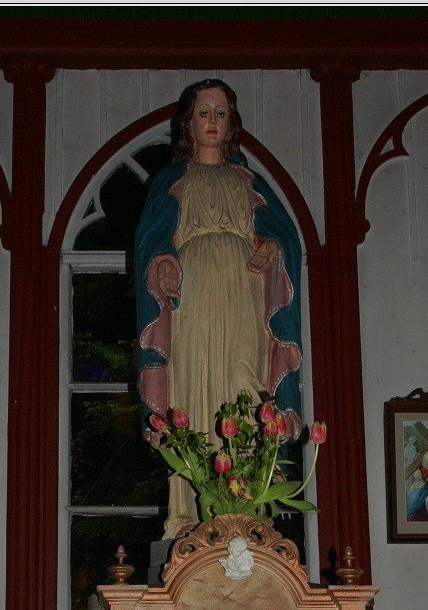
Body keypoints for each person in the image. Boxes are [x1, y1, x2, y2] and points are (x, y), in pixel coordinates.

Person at [136, 79, 302, 536]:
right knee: (193, 387)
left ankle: (247, 511)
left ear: (232, 124)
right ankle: (190, 513)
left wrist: (271, 250)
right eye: (204, 113)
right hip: (193, 296)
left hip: (244, 294)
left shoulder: (249, 182)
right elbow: (152, 241)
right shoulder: (172, 181)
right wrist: (163, 265)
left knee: (243, 384)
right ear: (188, 123)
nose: (212, 121)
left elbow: (284, 238)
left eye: (221, 113)